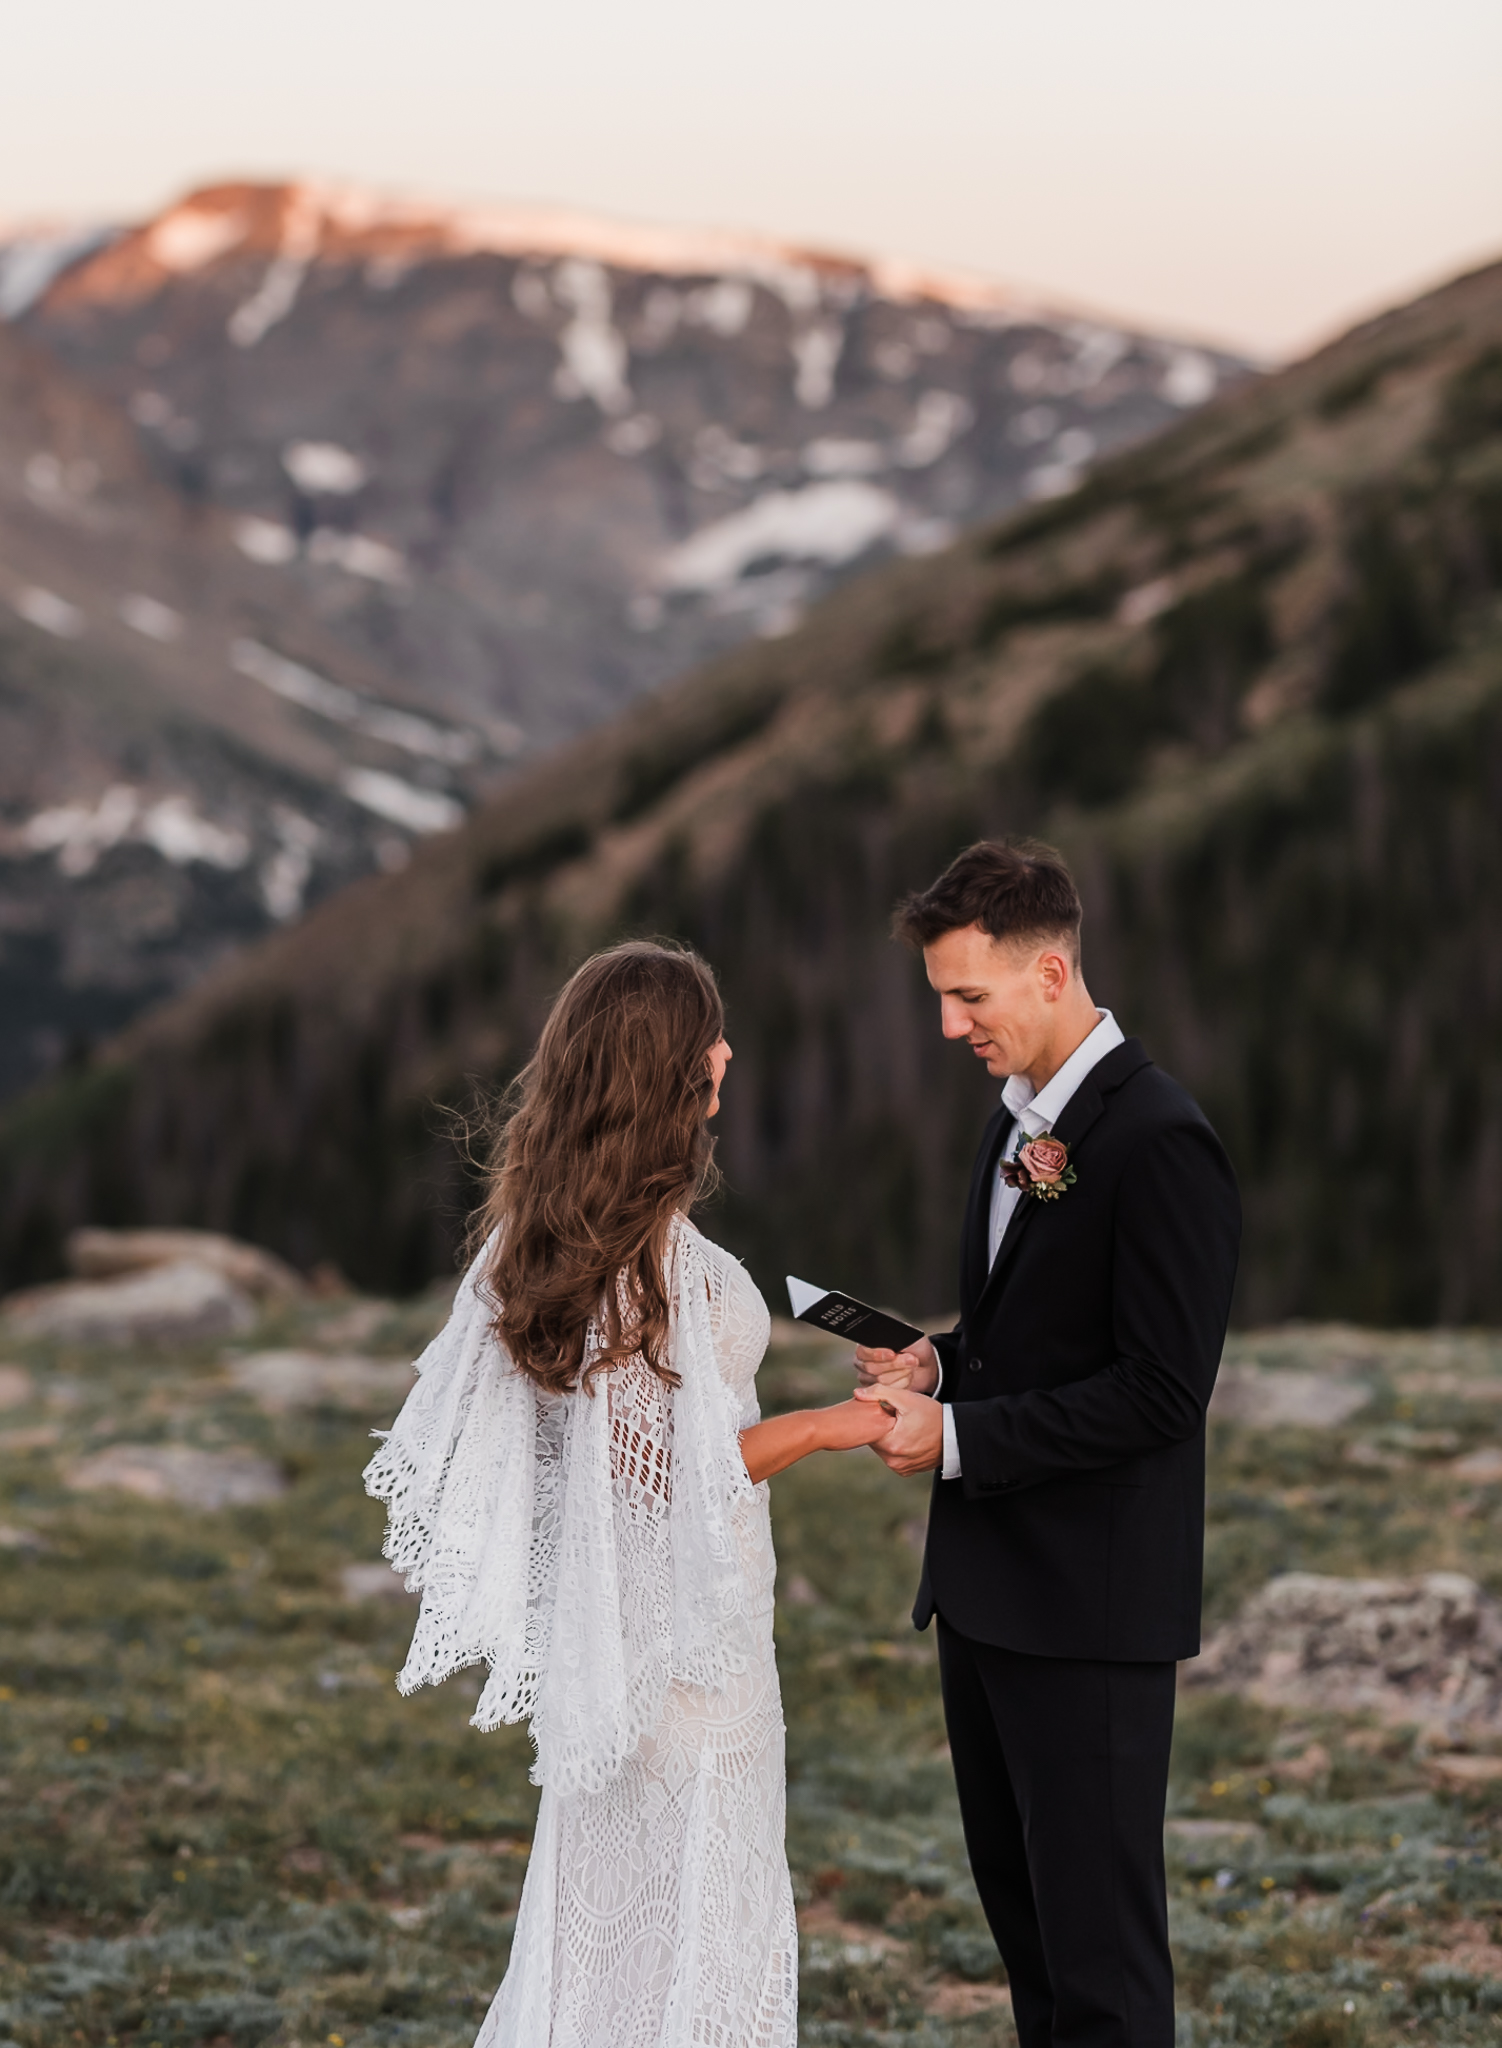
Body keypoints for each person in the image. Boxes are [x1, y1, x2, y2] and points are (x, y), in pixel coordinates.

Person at [364, 939, 892, 2048]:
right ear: (669, 1068)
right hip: (690, 1657)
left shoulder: (553, 1231)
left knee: (606, 1923)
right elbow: (674, 1469)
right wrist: (831, 1425)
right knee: (701, 1924)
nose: (728, 1050)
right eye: (710, 1033)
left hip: (613, 1643)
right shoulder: (654, 1262)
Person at [852, 839, 1241, 2048]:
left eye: (967, 996)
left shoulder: (1160, 1138)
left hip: (1088, 1612)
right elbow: (1042, 1332)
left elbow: (1160, 1390)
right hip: (986, 1601)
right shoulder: (1013, 1119)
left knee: (1103, 1970)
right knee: (1029, 1945)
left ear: (1051, 971)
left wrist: (958, 1435)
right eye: (938, 1000)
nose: (950, 1025)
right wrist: (942, 1361)